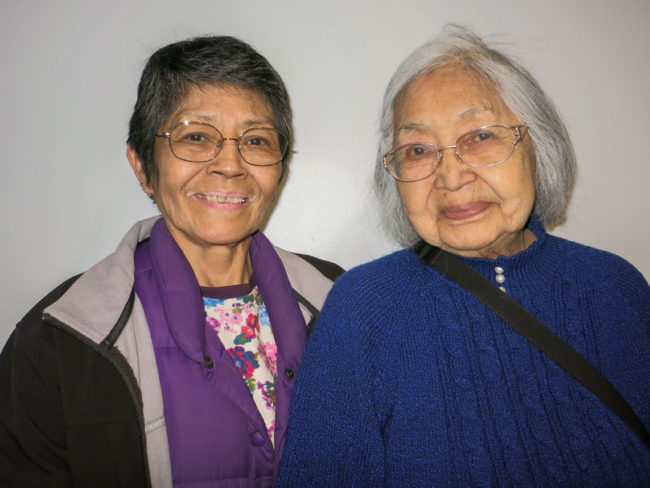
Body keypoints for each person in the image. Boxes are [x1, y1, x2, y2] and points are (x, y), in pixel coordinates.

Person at [277, 25, 650, 486]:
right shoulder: (364, 306)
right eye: (418, 149)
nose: (450, 176)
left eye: (480, 136)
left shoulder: (616, 285)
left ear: (538, 147)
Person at [0, 36, 343, 487]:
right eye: (196, 136)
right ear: (142, 166)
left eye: (256, 140)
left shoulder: (344, 301)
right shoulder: (59, 340)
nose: (229, 164)